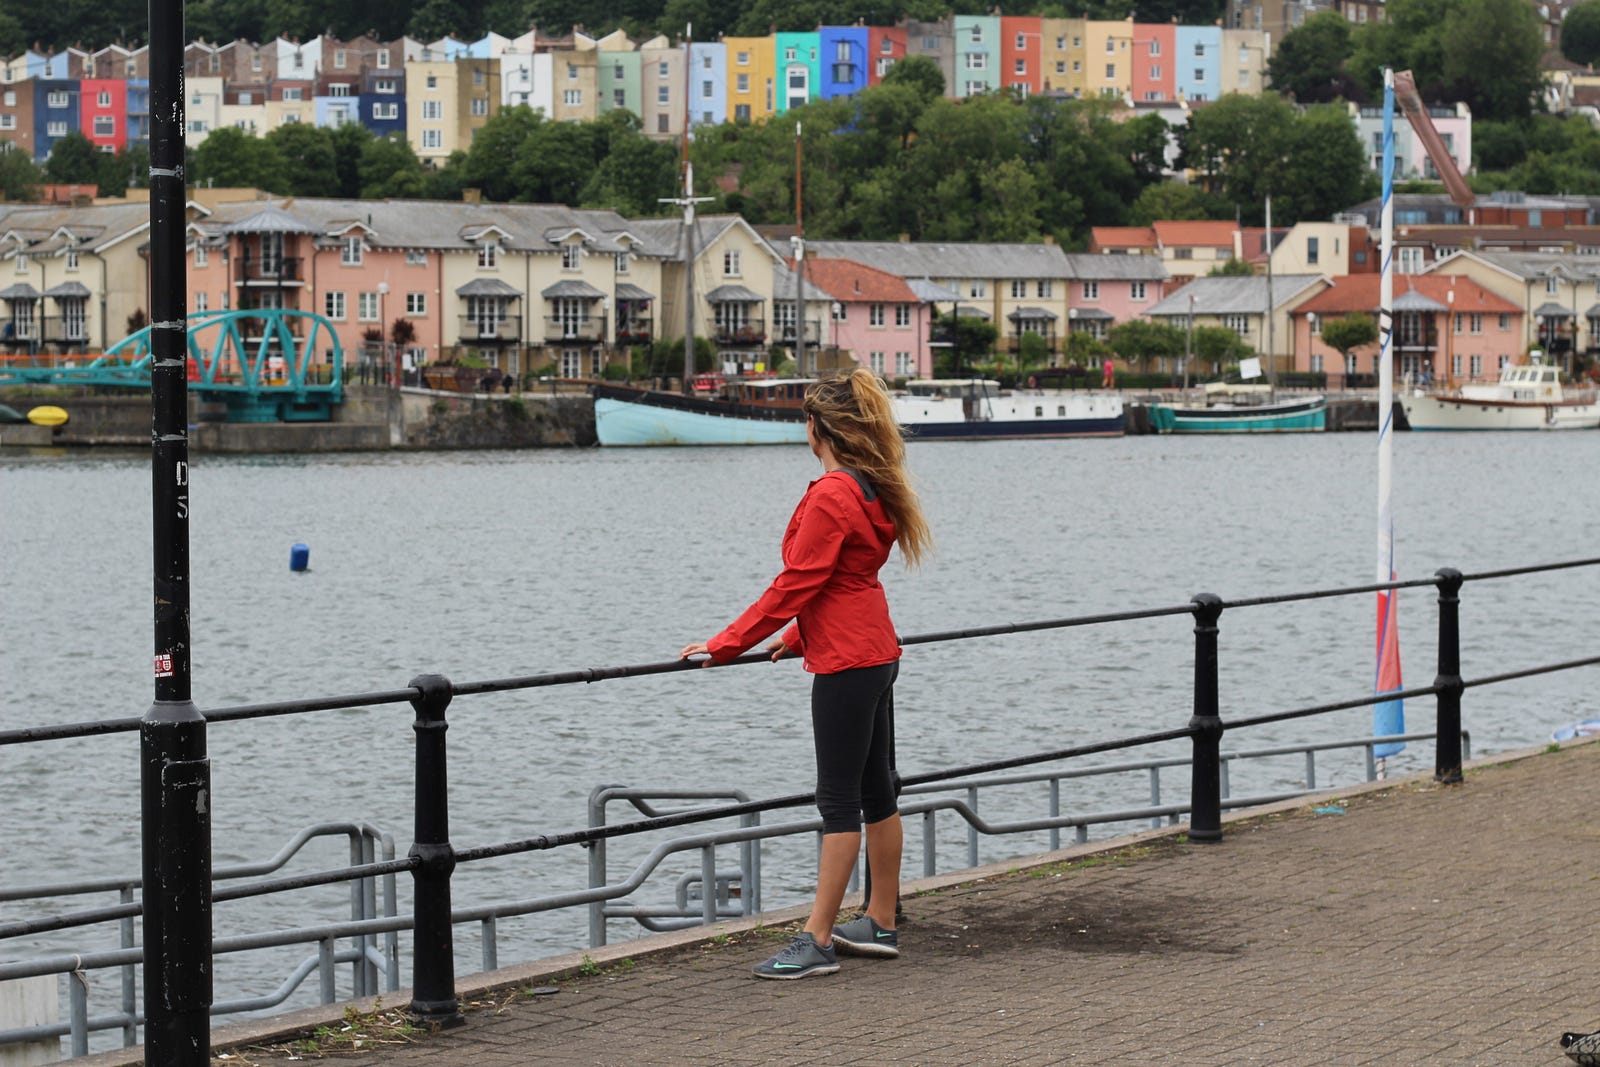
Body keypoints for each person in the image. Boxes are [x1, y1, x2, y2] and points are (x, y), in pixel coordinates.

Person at [679, 368, 931, 980]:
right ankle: (880, 920)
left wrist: (727, 644)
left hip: (847, 661)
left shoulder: (831, 494)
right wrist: (798, 636)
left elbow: (797, 582)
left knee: (838, 801)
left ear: (817, 427)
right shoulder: (872, 486)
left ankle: (816, 939)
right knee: (878, 793)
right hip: (877, 649)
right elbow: (845, 577)